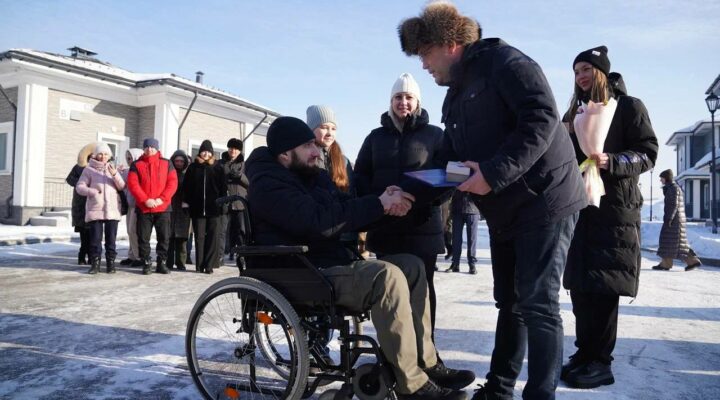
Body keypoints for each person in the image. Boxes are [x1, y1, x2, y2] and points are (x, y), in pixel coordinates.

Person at [398, 3, 587, 399]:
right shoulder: (455, 95)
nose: (424, 65)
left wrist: (492, 173)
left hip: (545, 200)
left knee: (538, 302)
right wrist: (407, 193)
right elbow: (447, 162)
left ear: (449, 44)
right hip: (506, 209)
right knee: (510, 302)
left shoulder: (507, 63)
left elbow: (541, 119)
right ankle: (499, 390)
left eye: (426, 54)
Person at [245, 116, 474, 400]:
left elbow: (347, 208)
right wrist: (379, 204)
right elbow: (317, 222)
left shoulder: (312, 177)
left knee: (412, 266)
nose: (317, 151)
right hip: (301, 273)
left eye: (315, 145)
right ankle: (411, 385)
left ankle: (424, 362)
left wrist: (386, 204)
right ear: (285, 154)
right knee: (386, 276)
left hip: (327, 263)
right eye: (307, 146)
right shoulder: (269, 185)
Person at [560, 46, 659, 389]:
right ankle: (584, 352)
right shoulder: (575, 111)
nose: (580, 76)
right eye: (576, 71)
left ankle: (600, 361)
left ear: (601, 71)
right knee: (580, 285)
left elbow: (648, 153)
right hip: (579, 206)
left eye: (586, 69)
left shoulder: (629, 107)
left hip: (615, 209)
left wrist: (612, 161)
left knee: (604, 286)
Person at [354, 73, 445, 335]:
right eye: (398, 97)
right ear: (390, 101)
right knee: (390, 292)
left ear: (417, 101)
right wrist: (383, 200)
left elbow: (447, 175)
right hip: (386, 228)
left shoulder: (435, 135)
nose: (402, 102)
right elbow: (360, 176)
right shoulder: (375, 137)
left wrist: (411, 199)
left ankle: (426, 348)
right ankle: (393, 349)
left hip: (422, 227)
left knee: (423, 291)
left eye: (408, 97)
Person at [306, 105, 359, 250]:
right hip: (317, 235)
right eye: (324, 127)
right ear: (311, 129)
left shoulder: (343, 161)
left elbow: (351, 196)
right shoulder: (304, 158)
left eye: (333, 128)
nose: (329, 133)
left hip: (345, 235)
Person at [127, 138, 178, 275]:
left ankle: (161, 263)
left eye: (152, 147)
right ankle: (146, 262)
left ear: (157, 148)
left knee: (164, 237)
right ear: (143, 149)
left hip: (163, 208)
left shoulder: (167, 163)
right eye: (147, 147)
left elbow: (172, 183)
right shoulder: (137, 165)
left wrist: (162, 199)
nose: (149, 149)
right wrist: (145, 200)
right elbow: (133, 184)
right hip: (144, 208)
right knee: (143, 238)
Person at [75, 142, 126, 274]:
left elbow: (122, 186)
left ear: (109, 156)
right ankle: (95, 264)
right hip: (95, 209)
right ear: (95, 155)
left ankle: (110, 264)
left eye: (106, 154)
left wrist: (115, 174)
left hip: (112, 210)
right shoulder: (88, 169)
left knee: (111, 240)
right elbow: (79, 187)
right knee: (95, 239)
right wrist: (91, 192)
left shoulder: (113, 168)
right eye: (100, 154)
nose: (103, 156)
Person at [183, 140, 227, 274]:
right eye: (203, 151)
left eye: (208, 151)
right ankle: (199, 265)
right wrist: (187, 202)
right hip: (197, 209)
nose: (206, 154)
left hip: (214, 209)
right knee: (199, 237)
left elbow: (223, 188)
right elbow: (187, 187)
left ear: (212, 153)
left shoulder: (218, 167)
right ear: (200, 152)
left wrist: (222, 204)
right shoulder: (193, 167)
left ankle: (209, 265)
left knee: (212, 237)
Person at [653, 169, 702, 271]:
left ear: (666, 178)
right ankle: (667, 263)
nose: (660, 180)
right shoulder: (672, 188)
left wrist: (669, 218)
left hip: (674, 220)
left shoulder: (673, 188)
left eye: (662, 178)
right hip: (676, 219)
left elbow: (673, 204)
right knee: (672, 242)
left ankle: (691, 261)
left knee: (673, 242)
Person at [218, 138, 249, 264]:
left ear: (240, 151)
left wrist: (240, 176)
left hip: (240, 203)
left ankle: (242, 256)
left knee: (241, 231)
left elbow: (250, 183)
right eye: (231, 148)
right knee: (222, 231)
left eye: (236, 149)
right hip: (225, 201)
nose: (233, 151)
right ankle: (220, 256)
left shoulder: (244, 165)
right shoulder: (221, 163)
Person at [66, 142, 96, 266]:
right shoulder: (79, 167)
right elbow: (69, 179)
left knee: (93, 233)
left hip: (94, 203)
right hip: (81, 203)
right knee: (84, 233)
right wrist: (81, 183)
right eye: (92, 155)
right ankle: (82, 256)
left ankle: (92, 257)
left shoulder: (98, 167)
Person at [119, 148, 144, 267]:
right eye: (127, 158)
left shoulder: (140, 169)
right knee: (130, 231)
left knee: (133, 230)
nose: (128, 160)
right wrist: (118, 172)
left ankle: (139, 256)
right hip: (129, 205)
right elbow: (121, 184)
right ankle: (132, 255)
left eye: (130, 158)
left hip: (137, 205)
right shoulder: (127, 171)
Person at [167, 149, 192, 271]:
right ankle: (169, 262)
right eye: (177, 161)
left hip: (183, 210)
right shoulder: (168, 174)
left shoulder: (188, 175)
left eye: (181, 161)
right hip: (170, 208)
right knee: (169, 237)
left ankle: (181, 262)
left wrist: (187, 201)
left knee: (182, 239)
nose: (179, 163)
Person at [446, 190, 480, 274]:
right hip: (457, 207)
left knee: (472, 238)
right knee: (456, 238)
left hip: (472, 208)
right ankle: (455, 263)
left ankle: (472, 264)